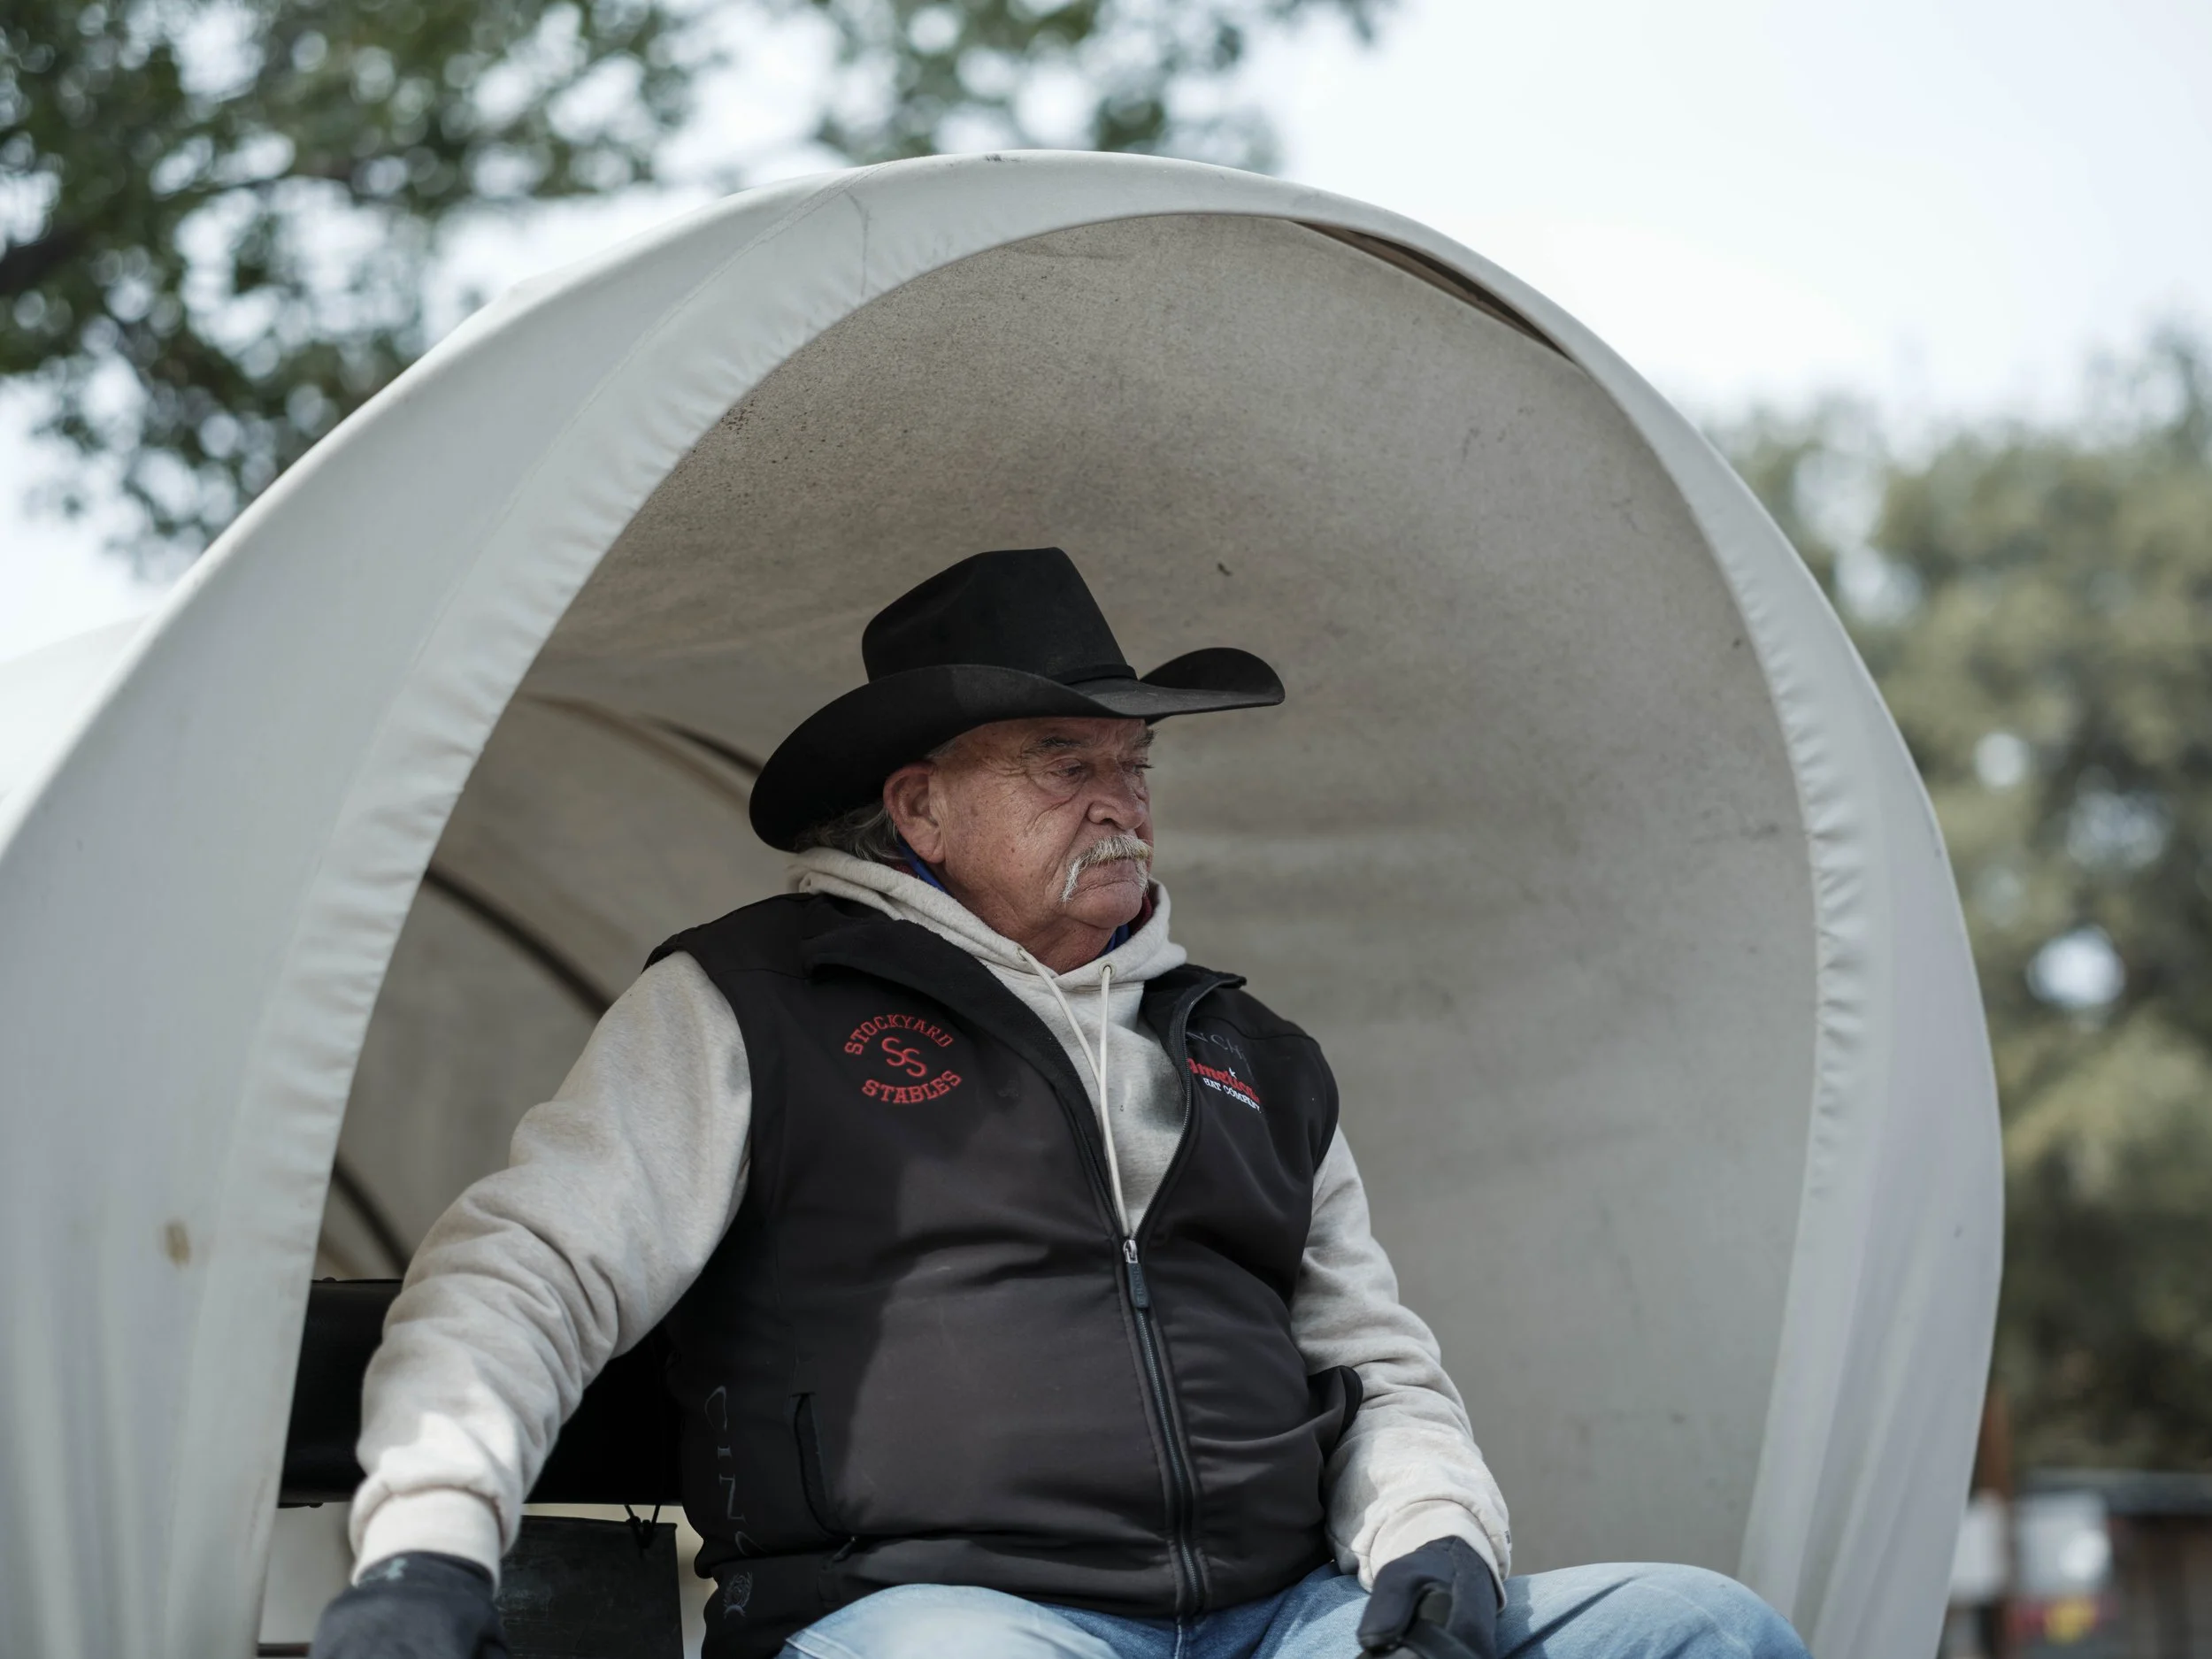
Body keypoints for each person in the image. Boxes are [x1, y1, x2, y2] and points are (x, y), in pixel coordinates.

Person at [313, 549, 1810, 1659]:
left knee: (1703, 1629)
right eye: (1063, 762)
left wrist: (1435, 1540)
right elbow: (528, 1267)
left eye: (1134, 763)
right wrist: (429, 1545)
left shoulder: (1254, 1051)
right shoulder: (750, 1003)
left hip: (1280, 1622)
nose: (1124, 799)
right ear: (921, 811)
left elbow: (1373, 1366)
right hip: (927, 1619)